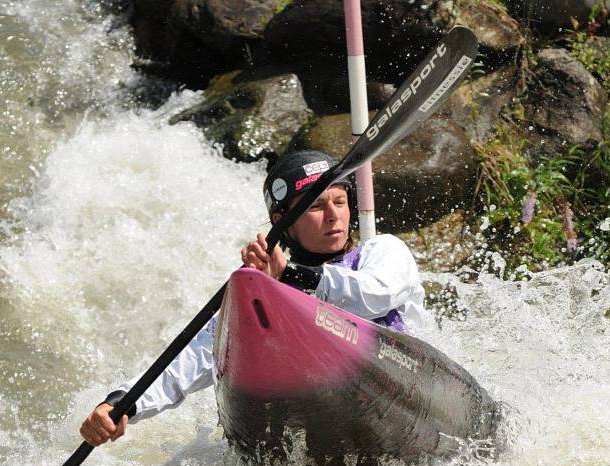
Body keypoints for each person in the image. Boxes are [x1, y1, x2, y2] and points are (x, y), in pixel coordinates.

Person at [80, 150, 431, 446]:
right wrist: (122, 404)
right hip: (323, 411)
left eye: (340, 201)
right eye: (316, 206)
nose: (334, 214)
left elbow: (376, 295)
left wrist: (291, 276)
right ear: (283, 221)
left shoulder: (383, 251)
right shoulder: (271, 295)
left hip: (404, 389)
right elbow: (198, 356)